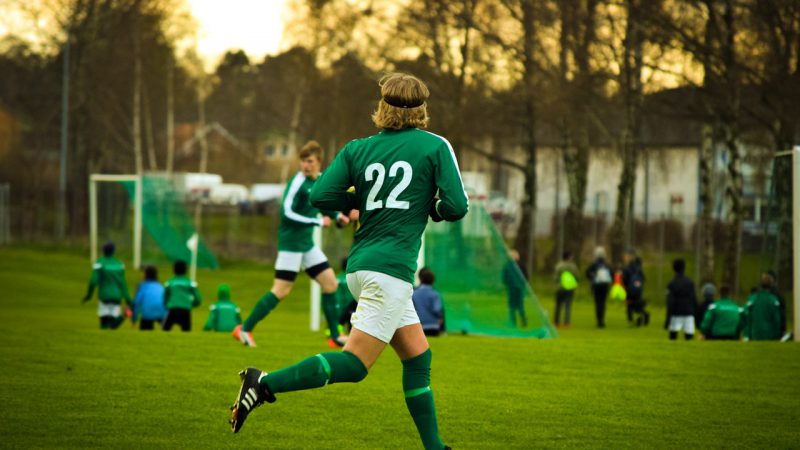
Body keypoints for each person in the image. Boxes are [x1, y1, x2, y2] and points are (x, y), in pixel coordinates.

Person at [228, 72, 467, 450]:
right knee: (354, 366)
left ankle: (435, 447)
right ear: (422, 109)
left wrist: (358, 201)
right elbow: (457, 206)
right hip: (390, 272)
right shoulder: (436, 146)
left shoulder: (358, 148)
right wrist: (431, 206)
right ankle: (263, 383)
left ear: (382, 107)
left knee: (419, 357)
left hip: (360, 267)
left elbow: (321, 195)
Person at [233, 140, 351, 348]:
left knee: (330, 283)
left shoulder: (320, 180)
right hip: (290, 244)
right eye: (303, 161)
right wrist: (317, 221)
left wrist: (338, 216)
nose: (305, 165)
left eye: (310, 161)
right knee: (281, 290)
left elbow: (323, 203)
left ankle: (334, 335)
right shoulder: (297, 183)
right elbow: (286, 214)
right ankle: (244, 329)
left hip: (306, 245)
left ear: (319, 162)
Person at [82, 241, 133, 329]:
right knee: (113, 325)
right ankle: (123, 316)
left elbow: (93, 281)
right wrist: (128, 299)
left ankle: (123, 316)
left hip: (104, 296)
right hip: (116, 297)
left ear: (103, 250)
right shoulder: (119, 264)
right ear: (114, 251)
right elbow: (123, 284)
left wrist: (89, 295)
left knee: (104, 323)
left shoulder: (100, 263)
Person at [741, 273, 782, 341]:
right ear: (771, 285)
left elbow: (744, 312)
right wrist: (777, 333)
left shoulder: (753, 298)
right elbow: (777, 320)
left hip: (755, 332)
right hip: (769, 333)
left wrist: (746, 331)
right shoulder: (773, 300)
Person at [163, 260, 201, 332]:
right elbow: (198, 299)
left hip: (172, 309)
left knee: (165, 330)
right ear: (185, 270)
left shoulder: (170, 282)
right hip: (185, 310)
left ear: (174, 270)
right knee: (186, 332)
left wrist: (167, 305)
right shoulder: (190, 283)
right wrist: (190, 304)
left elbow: (165, 297)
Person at [665, 258, 696, 340]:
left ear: (673, 268)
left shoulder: (672, 283)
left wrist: (668, 318)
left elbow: (670, 302)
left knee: (673, 336)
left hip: (676, 313)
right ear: (684, 268)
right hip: (688, 312)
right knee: (689, 337)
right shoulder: (690, 282)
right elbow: (694, 299)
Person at [412, 267, 445, 336]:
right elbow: (437, 310)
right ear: (433, 280)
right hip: (433, 327)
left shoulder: (414, 293)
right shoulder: (434, 294)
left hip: (419, 327)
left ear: (420, 279)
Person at [585, 246, 612, 328]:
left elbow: (587, 273)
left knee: (598, 303)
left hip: (596, 286)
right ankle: (602, 320)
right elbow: (611, 274)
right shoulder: (606, 264)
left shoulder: (594, 264)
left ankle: (599, 320)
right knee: (603, 303)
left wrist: (592, 279)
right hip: (605, 286)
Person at [132, 265, 166, 330]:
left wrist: (134, 318)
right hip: (162, 312)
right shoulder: (160, 286)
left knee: (145, 330)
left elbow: (136, 302)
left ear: (145, 274)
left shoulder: (142, 286)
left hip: (147, 313)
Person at [502, 249, 528, 328]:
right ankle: (524, 321)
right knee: (520, 305)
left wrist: (508, 284)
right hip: (520, 288)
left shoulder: (507, 266)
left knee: (511, 306)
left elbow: (504, 278)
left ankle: (513, 323)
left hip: (511, 288)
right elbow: (526, 276)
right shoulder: (521, 265)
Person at [553, 251, 578, 328]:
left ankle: (556, 321)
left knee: (558, 305)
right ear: (569, 257)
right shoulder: (573, 266)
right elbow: (577, 275)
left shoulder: (559, 266)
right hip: (569, 287)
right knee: (568, 305)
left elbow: (555, 277)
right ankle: (566, 322)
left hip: (560, 287)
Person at [622, 249, 645, 325]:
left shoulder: (627, 268)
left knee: (629, 303)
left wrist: (625, 286)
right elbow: (643, 278)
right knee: (638, 302)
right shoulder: (638, 268)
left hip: (629, 288)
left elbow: (625, 278)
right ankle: (639, 316)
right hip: (638, 289)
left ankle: (630, 319)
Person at [336, 257, 358, 338]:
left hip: (339, 305)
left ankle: (336, 335)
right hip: (353, 304)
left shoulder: (337, 278)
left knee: (339, 322)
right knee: (352, 322)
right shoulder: (353, 277)